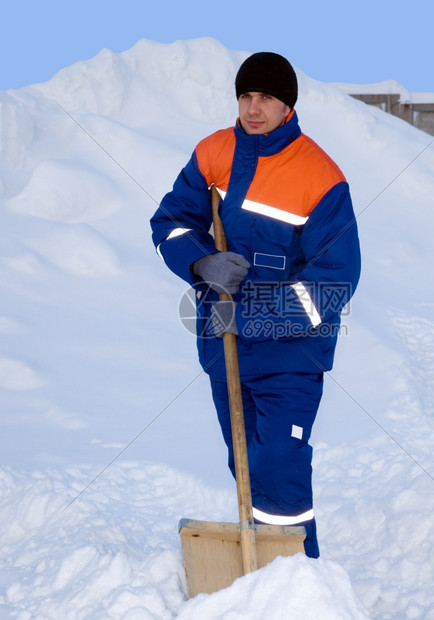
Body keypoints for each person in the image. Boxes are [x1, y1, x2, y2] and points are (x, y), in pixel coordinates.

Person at [150, 52, 361, 558]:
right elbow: (170, 221)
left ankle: (296, 581)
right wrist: (202, 263)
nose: (253, 107)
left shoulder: (320, 175)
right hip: (222, 349)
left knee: (278, 467)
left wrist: (247, 316)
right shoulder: (213, 153)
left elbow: (334, 281)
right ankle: (257, 573)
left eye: (265, 97)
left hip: (292, 356)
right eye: (245, 96)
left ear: (287, 105)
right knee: (244, 465)